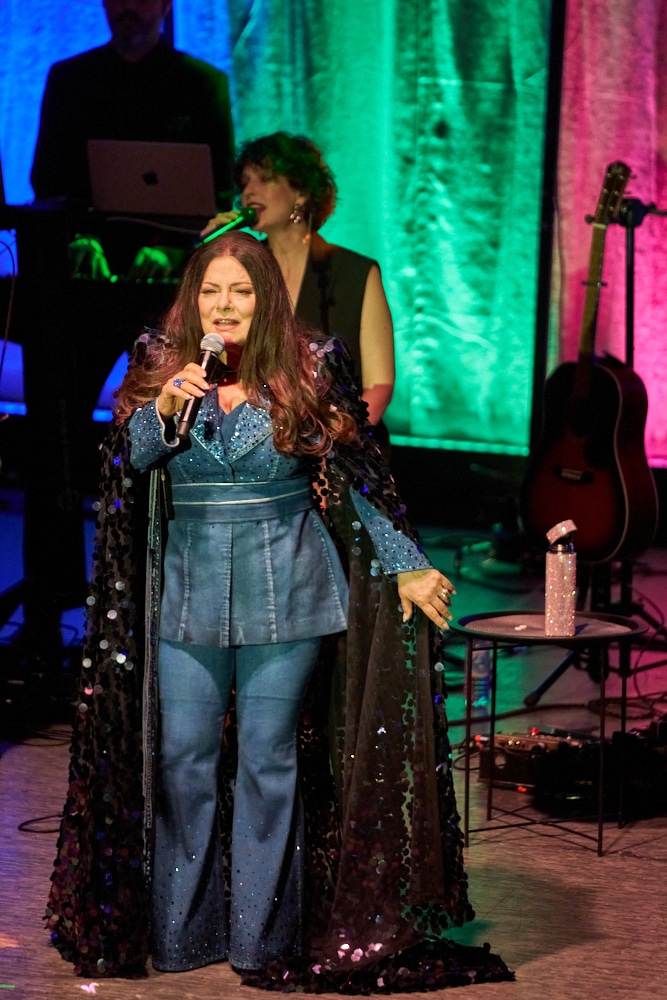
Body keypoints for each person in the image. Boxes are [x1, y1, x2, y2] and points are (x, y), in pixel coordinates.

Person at [44, 232, 512, 991]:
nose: (223, 306)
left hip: (287, 588)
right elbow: (125, 464)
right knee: (182, 759)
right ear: (192, 299)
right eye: (210, 291)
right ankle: (182, 931)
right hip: (186, 592)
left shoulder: (308, 364)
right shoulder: (161, 364)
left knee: (268, 760)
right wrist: (161, 411)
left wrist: (405, 562)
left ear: (265, 299)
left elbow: (355, 473)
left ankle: (260, 940)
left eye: (240, 291)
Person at [203, 132, 394, 434]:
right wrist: (214, 249)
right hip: (255, 442)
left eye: (265, 179)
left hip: (339, 440)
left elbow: (379, 384)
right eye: (245, 183)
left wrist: (340, 438)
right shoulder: (239, 270)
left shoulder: (354, 272)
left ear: (301, 192)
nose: (249, 192)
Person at [30, 0, 235, 278]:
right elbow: (47, 180)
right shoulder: (69, 80)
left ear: (166, 5)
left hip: (173, 273)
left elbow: (219, 193)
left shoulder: (202, 84)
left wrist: (175, 250)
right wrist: (79, 238)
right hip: (82, 269)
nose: (128, 6)